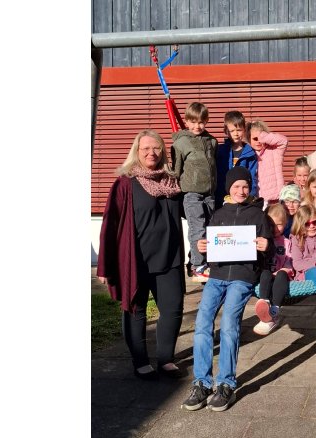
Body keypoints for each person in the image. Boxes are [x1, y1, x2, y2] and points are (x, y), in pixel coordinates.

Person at [183, 166, 275, 412]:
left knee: (229, 324)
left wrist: (267, 245)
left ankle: (226, 383)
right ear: (229, 189)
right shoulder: (219, 214)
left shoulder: (259, 216)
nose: (241, 191)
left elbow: (270, 255)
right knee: (202, 322)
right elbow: (213, 248)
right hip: (217, 275)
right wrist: (203, 247)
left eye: (245, 186)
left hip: (243, 277)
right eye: (236, 186)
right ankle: (202, 383)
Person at [97, 130, 186, 381]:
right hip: (135, 260)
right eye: (146, 148)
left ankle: (166, 359)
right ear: (136, 151)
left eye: (156, 148)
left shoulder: (172, 182)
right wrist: (104, 265)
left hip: (169, 258)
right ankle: (140, 361)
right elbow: (110, 224)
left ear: (163, 151)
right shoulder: (126, 183)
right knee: (135, 310)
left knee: (173, 308)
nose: (151, 153)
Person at [171, 102, 218, 282]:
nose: (197, 126)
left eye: (201, 122)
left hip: (210, 193)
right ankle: (198, 265)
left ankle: (204, 260)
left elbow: (214, 167)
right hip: (191, 193)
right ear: (186, 121)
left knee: (210, 228)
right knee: (197, 228)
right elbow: (177, 170)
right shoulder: (181, 143)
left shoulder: (212, 142)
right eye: (193, 122)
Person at [253, 203, 293, 336]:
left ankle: (275, 309)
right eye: (271, 224)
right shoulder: (263, 241)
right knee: (265, 274)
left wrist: (286, 270)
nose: (275, 228)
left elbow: (289, 260)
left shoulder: (287, 242)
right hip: (267, 273)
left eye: (279, 224)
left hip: (282, 272)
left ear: (286, 223)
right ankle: (264, 302)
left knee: (281, 275)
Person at [215, 110, 258, 208]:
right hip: (221, 199)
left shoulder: (250, 154)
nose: (236, 134)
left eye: (239, 130)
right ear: (226, 131)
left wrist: (250, 197)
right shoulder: (220, 151)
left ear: (244, 130)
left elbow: (252, 177)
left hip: (242, 198)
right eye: (232, 131)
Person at [248, 119, 287, 205]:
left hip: (276, 198)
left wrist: (263, 136)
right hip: (258, 199)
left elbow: (283, 141)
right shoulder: (249, 154)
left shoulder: (274, 150)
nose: (259, 141)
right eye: (255, 139)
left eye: (261, 138)